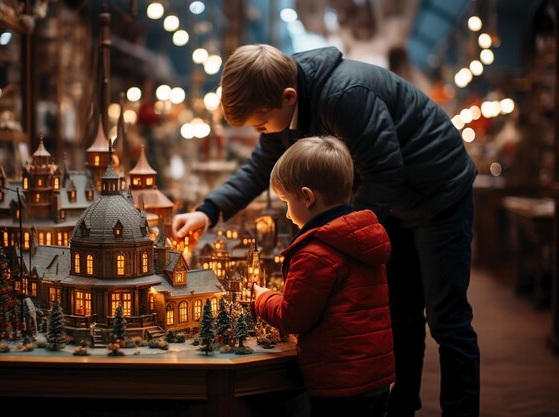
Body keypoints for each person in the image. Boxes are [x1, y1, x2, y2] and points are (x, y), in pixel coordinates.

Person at [172, 43, 480, 417]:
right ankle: (401, 409)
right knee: (401, 313)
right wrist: (208, 211)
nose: (260, 133)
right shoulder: (283, 95)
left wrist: (334, 237)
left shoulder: (343, 96)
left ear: (288, 97)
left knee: (449, 319)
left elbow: (384, 173)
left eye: (259, 124)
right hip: (393, 199)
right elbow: (260, 167)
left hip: (438, 192)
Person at [252, 135, 394, 417]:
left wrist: (262, 297)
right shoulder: (361, 239)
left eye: (286, 201)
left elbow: (293, 318)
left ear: (307, 197)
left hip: (338, 383)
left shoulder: (315, 253)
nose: (287, 213)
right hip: (374, 376)